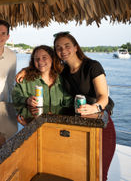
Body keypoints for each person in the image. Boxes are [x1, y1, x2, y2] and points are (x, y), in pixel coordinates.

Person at [53, 32, 115, 181]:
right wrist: (25, 71)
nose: (63, 51)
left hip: (100, 121)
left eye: (67, 46)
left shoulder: (92, 66)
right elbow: (42, 67)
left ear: (75, 47)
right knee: (81, 170)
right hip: (79, 124)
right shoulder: (64, 72)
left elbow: (103, 96)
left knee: (100, 171)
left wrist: (95, 107)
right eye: (58, 48)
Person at [12, 45, 73, 113]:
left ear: (52, 59)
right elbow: (15, 97)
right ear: (33, 61)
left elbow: (69, 101)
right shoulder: (25, 79)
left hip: (57, 121)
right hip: (35, 121)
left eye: (44, 57)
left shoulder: (62, 79)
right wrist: (26, 100)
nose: (40, 61)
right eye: (37, 59)